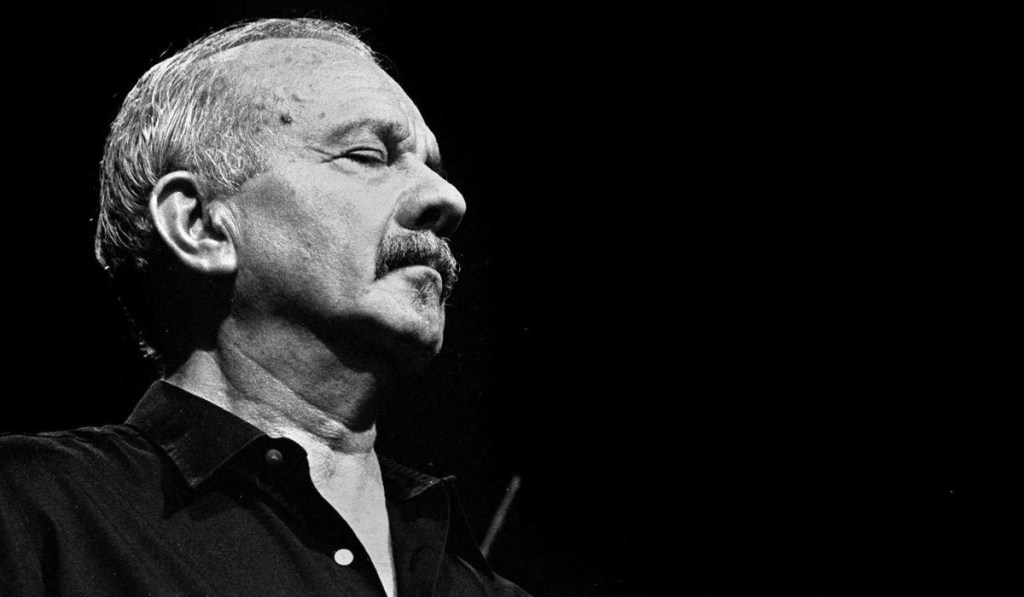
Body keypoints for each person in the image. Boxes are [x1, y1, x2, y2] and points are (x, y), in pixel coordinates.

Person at [0, 17, 531, 597]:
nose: (447, 198)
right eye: (367, 155)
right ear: (200, 226)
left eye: (432, 167)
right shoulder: (29, 511)